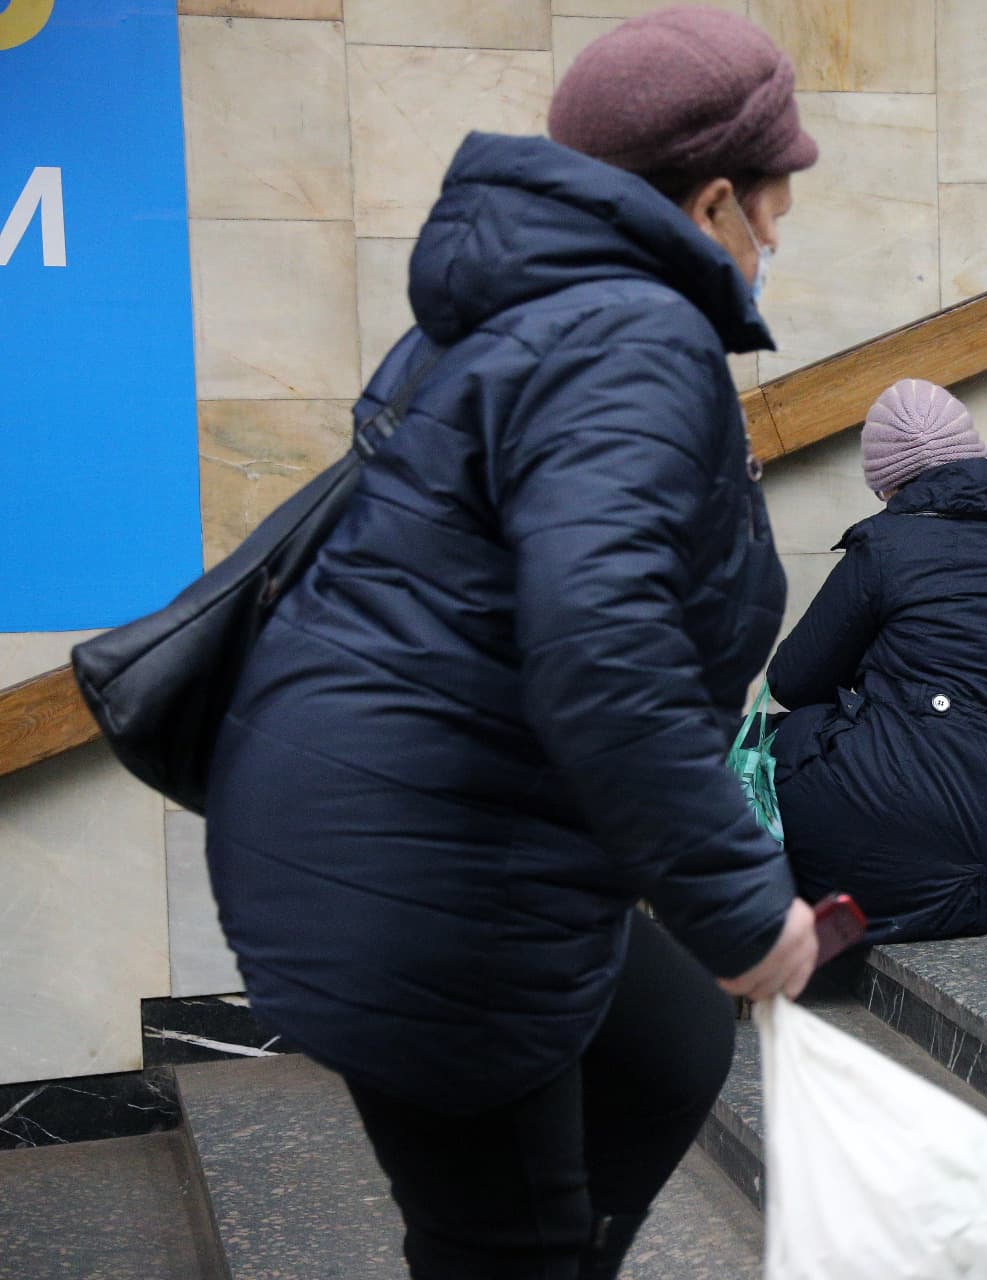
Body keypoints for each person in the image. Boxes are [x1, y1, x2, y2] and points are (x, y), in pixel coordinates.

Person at [201, 11, 821, 1278]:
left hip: (400, 827)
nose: (779, 234)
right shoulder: (630, 335)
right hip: (432, 880)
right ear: (713, 202)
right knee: (506, 1240)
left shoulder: (524, 316)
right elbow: (604, 642)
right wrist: (745, 905)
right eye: (775, 200)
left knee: (666, 1043)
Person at [768, 380, 987, 944]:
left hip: (877, 849)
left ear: (891, 481)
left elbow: (792, 679)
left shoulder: (888, 546)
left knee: (780, 738)